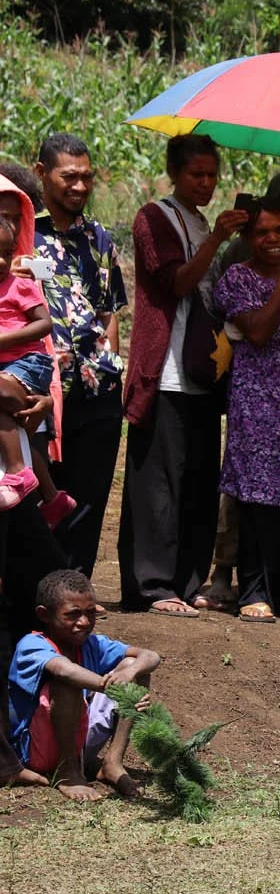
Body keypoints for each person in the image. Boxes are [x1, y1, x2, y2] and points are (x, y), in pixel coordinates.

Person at [121, 134, 242, 618]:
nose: (207, 183)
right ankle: (152, 585)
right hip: (165, 372)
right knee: (158, 485)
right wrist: (216, 240)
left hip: (200, 375)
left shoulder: (198, 220)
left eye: (212, 175)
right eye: (197, 175)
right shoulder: (156, 217)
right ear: (174, 173)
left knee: (196, 482)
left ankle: (191, 580)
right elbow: (175, 282)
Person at [211, 202, 280, 623]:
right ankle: (252, 590)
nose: (273, 239)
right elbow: (256, 333)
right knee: (258, 500)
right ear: (246, 240)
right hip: (257, 402)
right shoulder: (236, 278)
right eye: (261, 233)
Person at [32, 133, 126, 572]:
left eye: (87, 177)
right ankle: (38, 593)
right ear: (42, 174)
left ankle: (76, 590)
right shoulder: (22, 234)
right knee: (41, 492)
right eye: (69, 176)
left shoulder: (99, 238)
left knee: (90, 497)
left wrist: (113, 368)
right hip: (43, 389)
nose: (80, 186)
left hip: (97, 389)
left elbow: (109, 310)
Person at [1, 569, 160, 802]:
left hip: (79, 742)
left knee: (133, 665)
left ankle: (112, 762)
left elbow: (150, 656)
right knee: (68, 683)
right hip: (36, 750)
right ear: (44, 615)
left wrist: (131, 673)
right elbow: (64, 670)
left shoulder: (92, 644)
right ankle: (67, 771)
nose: (84, 622)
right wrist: (117, 689)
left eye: (90, 613)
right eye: (73, 614)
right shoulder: (31, 644)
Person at [0, 175, 61, 515]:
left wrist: (46, 400)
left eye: (13, 219)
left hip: (20, 378)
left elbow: (40, 336)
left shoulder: (20, 283)